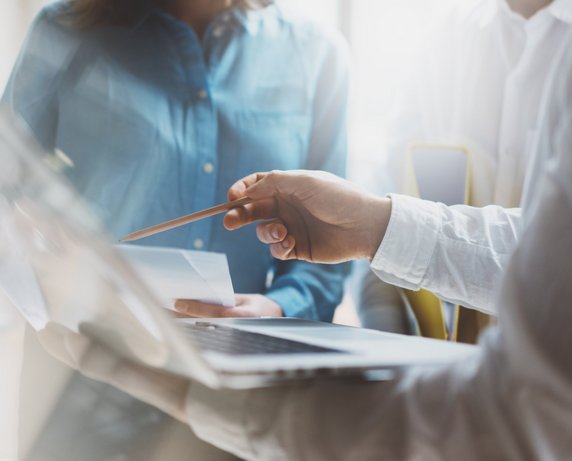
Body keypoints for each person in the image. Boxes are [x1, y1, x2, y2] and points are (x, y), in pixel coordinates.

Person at [37, 21, 572, 459]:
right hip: (87, 377)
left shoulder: (317, 54)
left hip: (249, 386)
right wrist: (374, 226)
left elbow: (524, 419)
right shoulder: (66, 29)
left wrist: (273, 315)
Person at [2, 0, 349, 321]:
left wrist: (280, 308)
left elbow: (326, 241)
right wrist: (39, 258)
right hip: (80, 350)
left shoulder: (316, 53)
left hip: (242, 365)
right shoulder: (63, 30)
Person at [355, 0, 572, 335]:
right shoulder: (443, 39)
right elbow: (390, 188)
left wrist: (375, 226)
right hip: (450, 368)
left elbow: (559, 257)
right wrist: (389, 355)